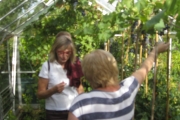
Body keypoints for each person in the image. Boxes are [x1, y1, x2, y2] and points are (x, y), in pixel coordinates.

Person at [68, 42, 169, 120]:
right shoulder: (127, 90)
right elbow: (144, 69)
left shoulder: (81, 103)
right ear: (114, 68)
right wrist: (155, 51)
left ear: (87, 74)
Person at [37, 31, 84, 120]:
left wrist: (83, 102)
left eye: (67, 53)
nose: (64, 56)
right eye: (60, 52)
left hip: (74, 110)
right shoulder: (48, 66)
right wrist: (53, 90)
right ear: (55, 50)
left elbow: (79, 87)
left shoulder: (75, 65)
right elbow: (40, 94)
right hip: (54, 113)